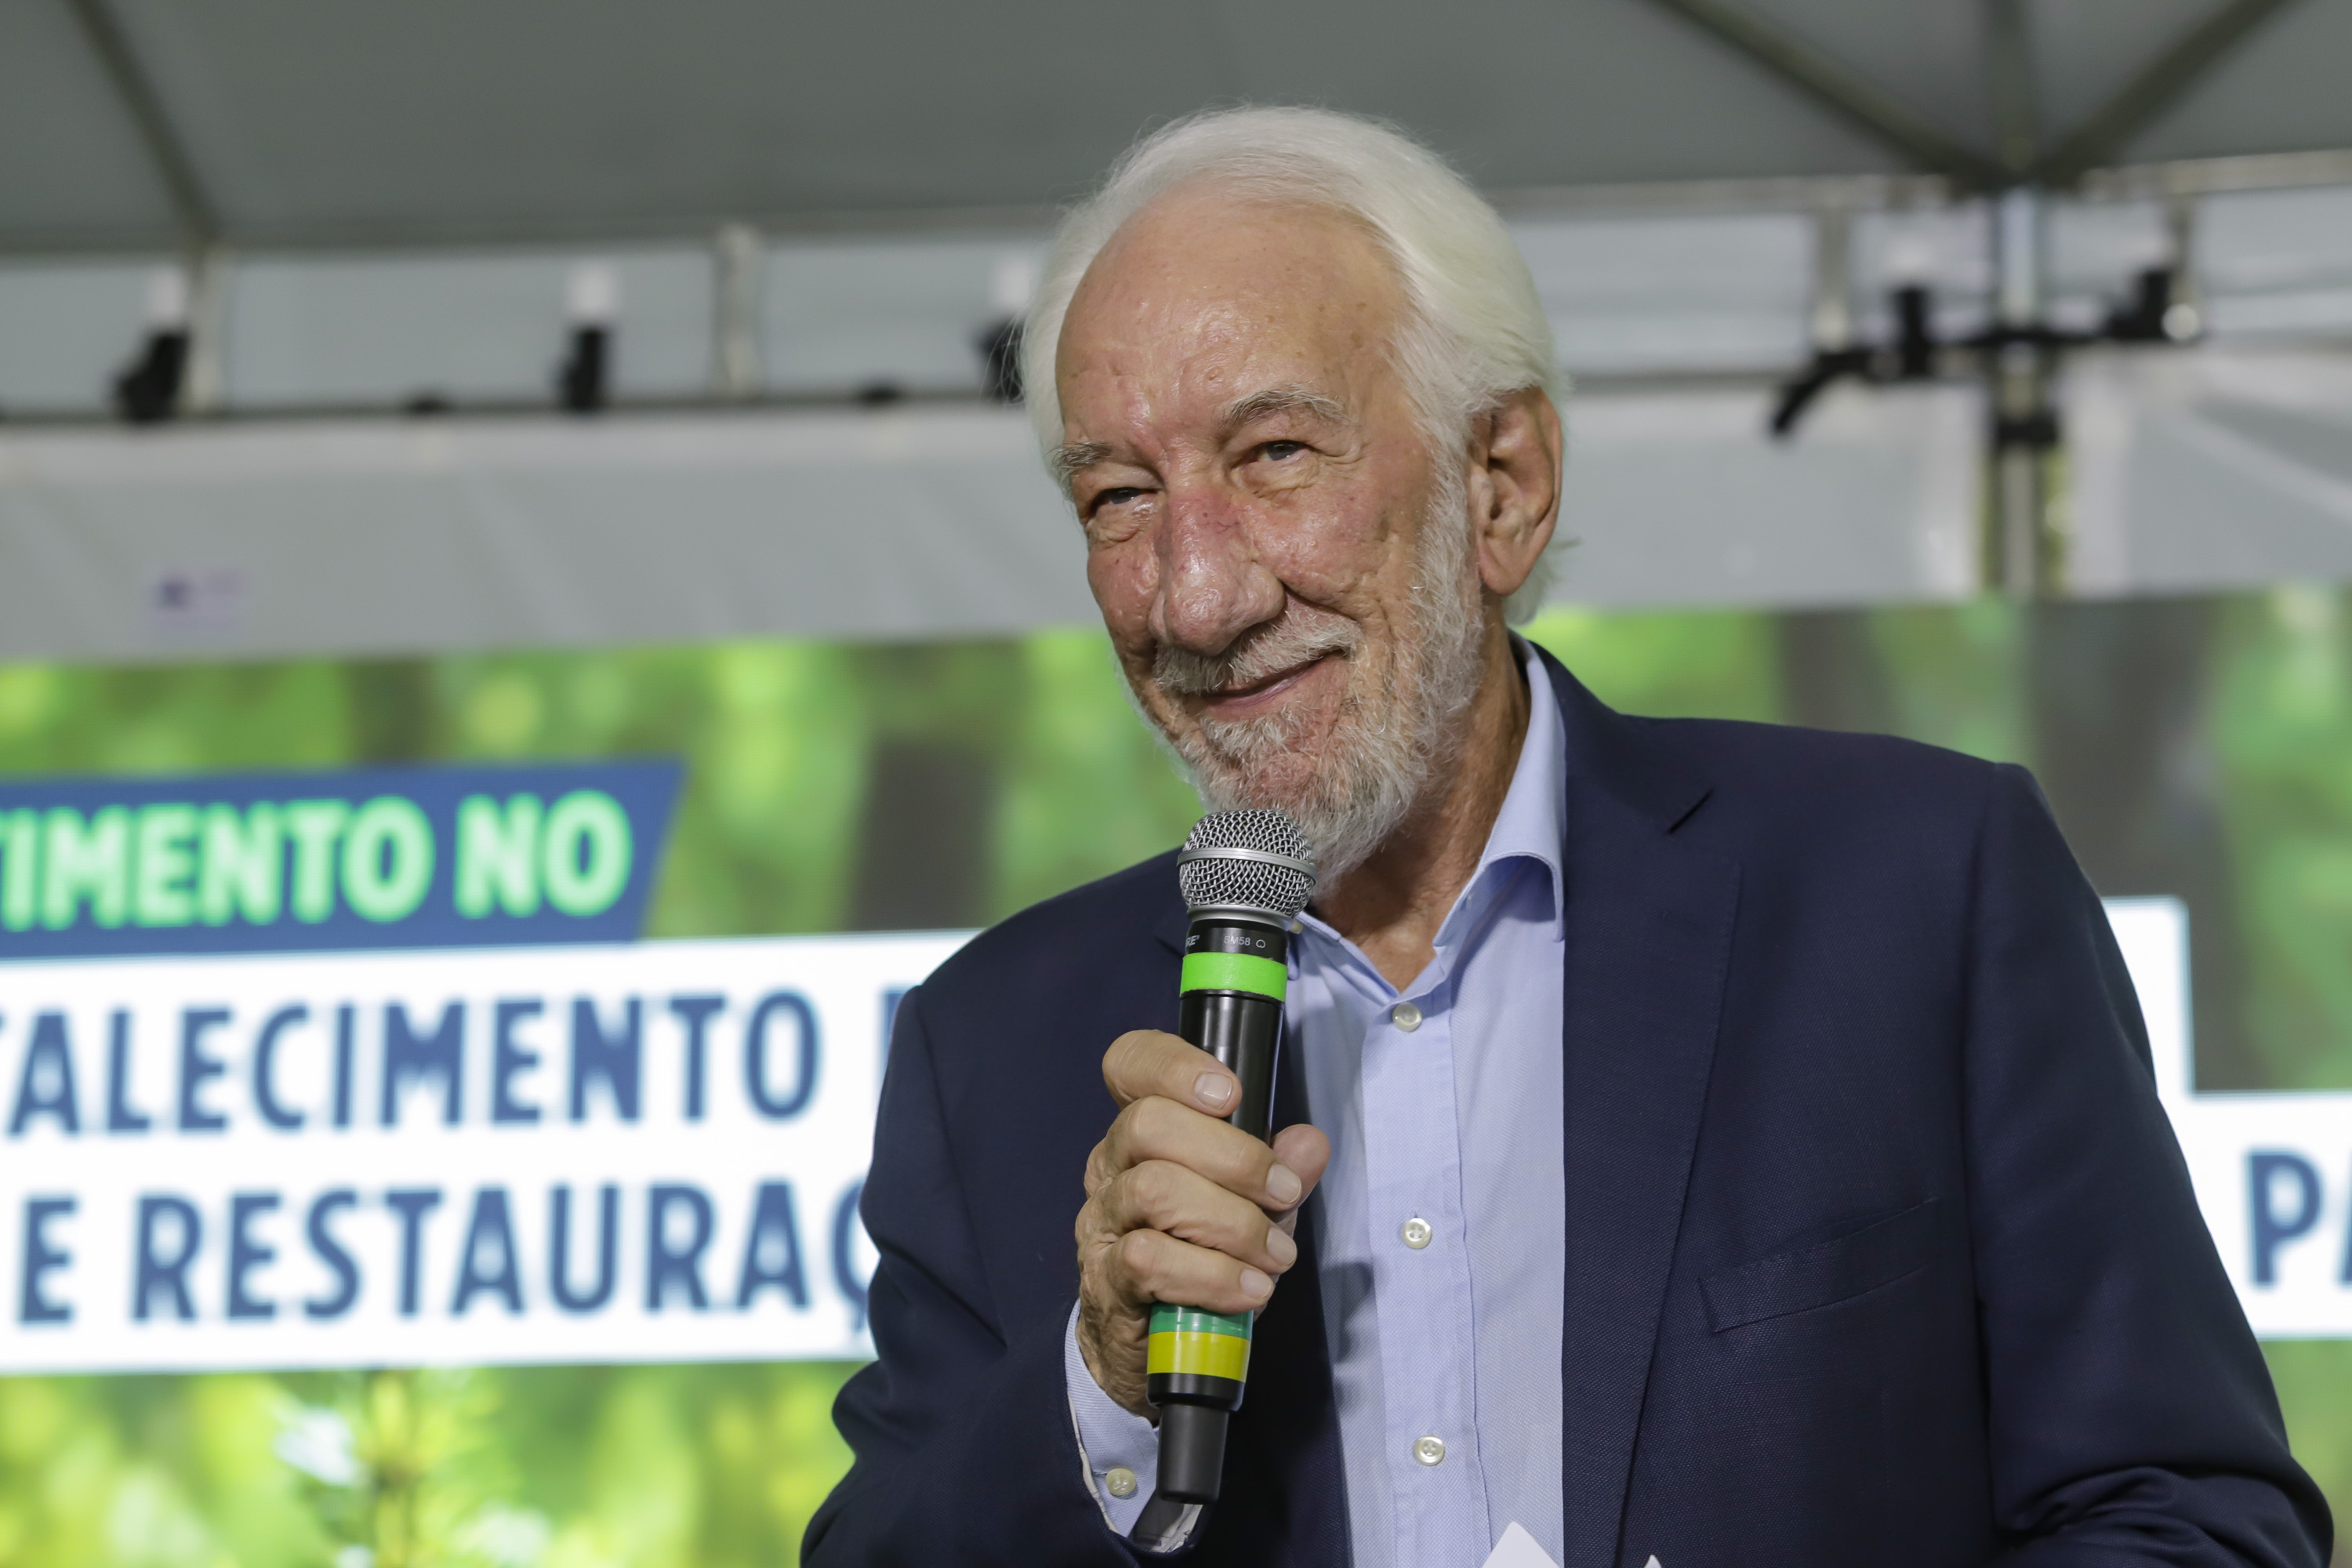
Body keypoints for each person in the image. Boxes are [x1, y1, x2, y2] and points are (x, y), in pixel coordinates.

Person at [803, 107, 2331, 1568]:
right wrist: (1102, 1391)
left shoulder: (1916, 893)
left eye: (1274, 454)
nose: (1194, 597)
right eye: (1121, 496)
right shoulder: (987, 1048)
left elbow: (2189, 1517)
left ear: (1504, 487)